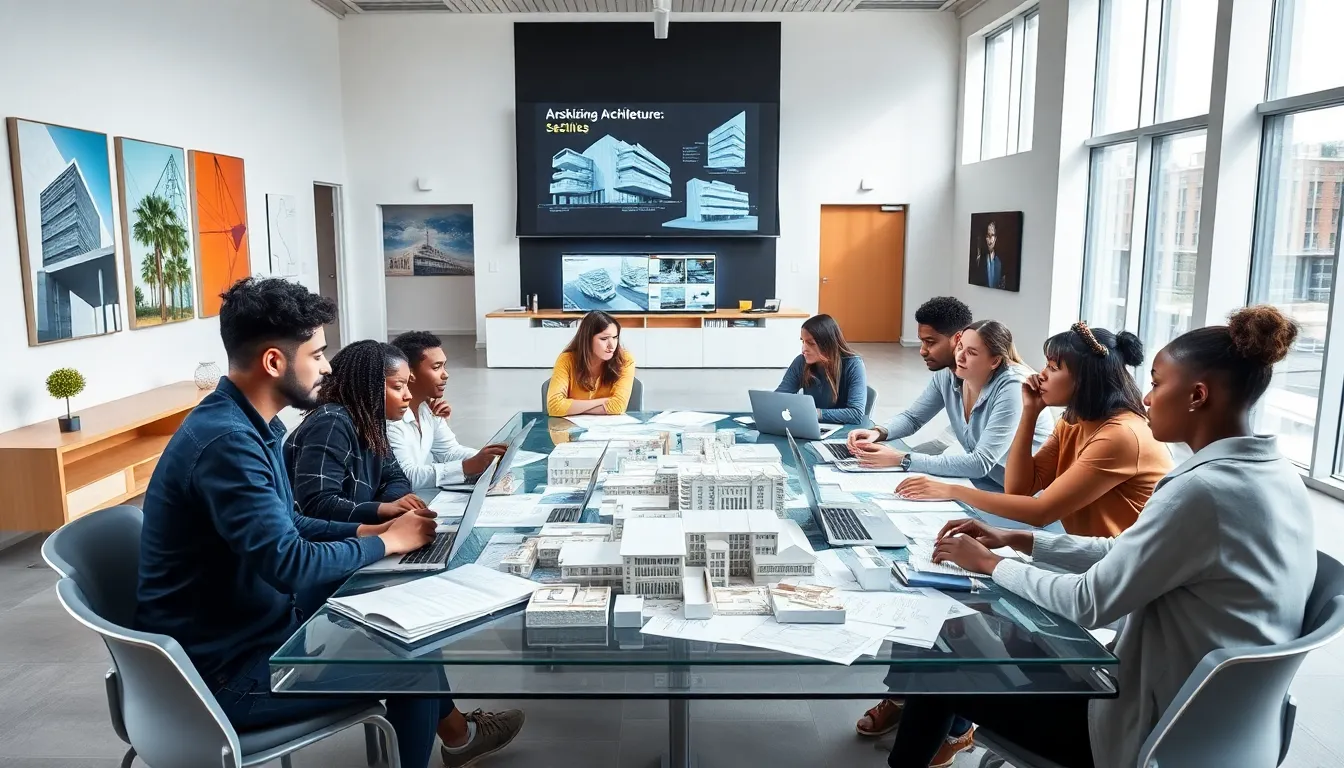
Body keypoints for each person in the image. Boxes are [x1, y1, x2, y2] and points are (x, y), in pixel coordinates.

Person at [889, 306, 1316, 768]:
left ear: (1197, 395)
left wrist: (991, 564)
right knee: (972, 639)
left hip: (1140, 722)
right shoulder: (1273, 475)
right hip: (1216, 721)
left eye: (1156, 383)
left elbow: (1088, 603)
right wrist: (1018, 540)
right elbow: (1121, 551)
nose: (1147, 398)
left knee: (941, 654)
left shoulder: (1200, 490)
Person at [135, 277, 525, 768]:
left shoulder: (248, 425)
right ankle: (456, 739)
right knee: (415, 666)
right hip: (222, 677)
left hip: (249, 640)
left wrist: (369, 532)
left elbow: (292, 522)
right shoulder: (228, 444)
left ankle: (458, 737)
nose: (326, 367)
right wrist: (384, 545)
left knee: (410, 636)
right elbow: (289, 564)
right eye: (317, 354)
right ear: (275, 361)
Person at [897, 322, 1172, 537]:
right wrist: (1030, 412)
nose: (1041, 374)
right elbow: (1019, 489)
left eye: (1053, 368)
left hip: (1122, 571)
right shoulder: (1073, 421)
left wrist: (952, 490)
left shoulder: (1121, 435)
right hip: (1089, 554)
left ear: (1084, 380)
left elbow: (1042, 512)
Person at [846, 319, 1055, 490]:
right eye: (960, 348)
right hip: (985, 482)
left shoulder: (1013, 387)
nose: (960, 357)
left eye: (972, 353)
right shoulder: (950, 374)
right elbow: (914, 417)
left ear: (995, 361)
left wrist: (902, 459)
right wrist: (878, 432)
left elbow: (980, 462)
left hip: (1023, 497)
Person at [285, 340, 429, 525]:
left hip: (355, 534)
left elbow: (395, 477)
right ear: (369, 386)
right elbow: (317, 504)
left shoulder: (371, 423)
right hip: (320, 545)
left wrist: (395, 505)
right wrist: (382, 510)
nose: (408, 395)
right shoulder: (332, 421)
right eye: (398, 386)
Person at [388, 331, 507, 488]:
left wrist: (488, 459)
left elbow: (449, 452)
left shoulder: (430, 409)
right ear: (409, 373)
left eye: (444, 366)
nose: (446, 375)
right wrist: (468, 466)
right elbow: (406, 477)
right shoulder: (391, 420)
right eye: (436, 367)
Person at [774, 313, 868, 424]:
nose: (803, 349)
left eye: (811, 343)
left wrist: (812, 413)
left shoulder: (853, 365)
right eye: (803, 341)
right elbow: (779, 398)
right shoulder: (801, 361)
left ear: (828, 344)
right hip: (812, 427)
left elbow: (856, 413)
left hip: (844, 433)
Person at [547, 310, 636, 417]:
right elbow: (555, 407)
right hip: (571, 430)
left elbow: (618, 406)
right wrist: (602, 402)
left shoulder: (625, 360)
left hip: (609, 431)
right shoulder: (566, 360)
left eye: (615, 337)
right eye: (604, 339)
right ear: (587, 339)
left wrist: (572, 408)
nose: (612, 346)